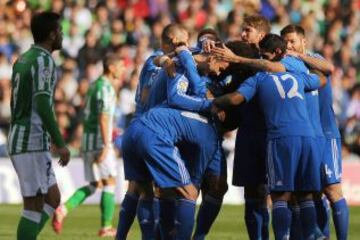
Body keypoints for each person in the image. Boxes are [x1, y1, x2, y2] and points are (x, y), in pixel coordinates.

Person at [213, 34, 327, 240]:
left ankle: (282, 237)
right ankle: (313, 236)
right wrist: (305, 60)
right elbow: (322, 79)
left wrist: (212, 103)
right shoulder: (297, 74)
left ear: (264, 53)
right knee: (305, 194)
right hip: (308, 136)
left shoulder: (259, 78)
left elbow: (237, 98)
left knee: (280, 196)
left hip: (281, 138)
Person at [281, 24, 349, 240]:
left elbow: (329, 67)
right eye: (286, 42)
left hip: (326, 135)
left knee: (332, 189)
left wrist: (298, 57)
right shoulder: (286, 66)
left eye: (293, 41)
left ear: (304, 42)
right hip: (303, 138)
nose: (289, 46)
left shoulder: (314, 59)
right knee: (308, 192)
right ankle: (321, 236)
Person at [8, 11, 70, 240]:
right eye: (60, 31)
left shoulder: (23, 59)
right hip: (30, 141)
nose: (62, 35)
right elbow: (43, 105)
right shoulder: (44, 61)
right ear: (52, 34)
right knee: (32, 207)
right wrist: (61, 143)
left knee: (53, 200)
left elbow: (15, 102)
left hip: (24, 137)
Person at [209, 14, 271, 240]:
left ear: (261, 35)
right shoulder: (236, 53)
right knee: (251, 194)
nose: (243, 34)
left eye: (248, 30)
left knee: (270, 193)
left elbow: (265, 69)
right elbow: (215, 66)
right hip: (246, 132)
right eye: (243, 30)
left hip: (267, 133)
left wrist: (235, 60)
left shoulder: (268, 59)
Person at [52, 54, 125, 237]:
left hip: (88, 141)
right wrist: (106, 144)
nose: (123, 70)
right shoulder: (105, 88)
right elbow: (104, 116)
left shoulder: (94, 86)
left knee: (95, 184)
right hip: (100, 142)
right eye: (120, 66)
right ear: (111, 68)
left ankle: (63, 209)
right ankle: (106, 226)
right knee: (110, 182)